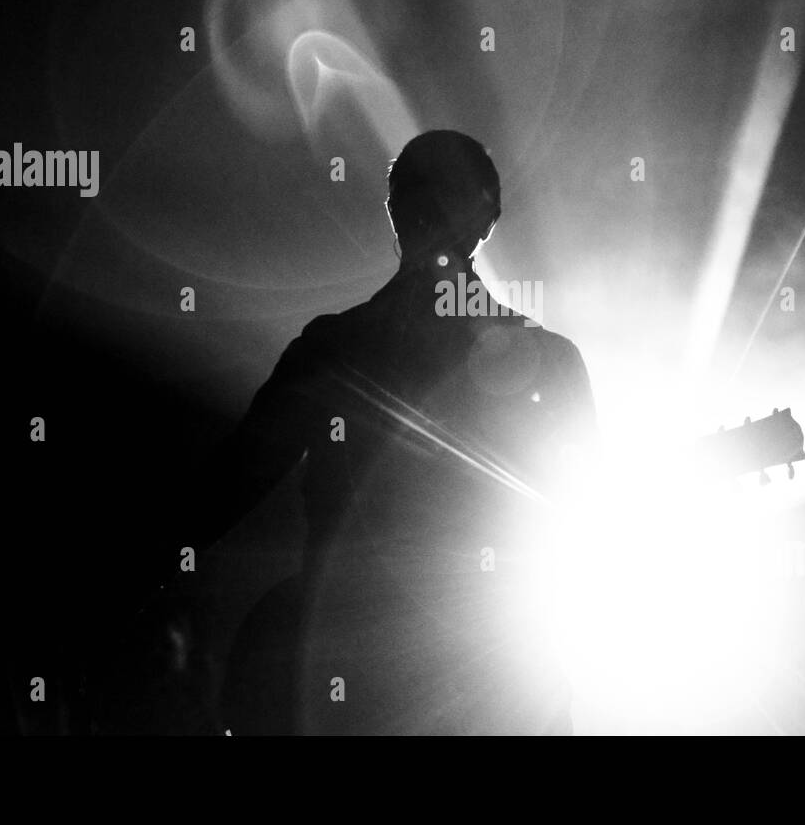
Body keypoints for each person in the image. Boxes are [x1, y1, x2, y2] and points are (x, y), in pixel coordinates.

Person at [212, 130, 598, 734]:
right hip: (495, 691)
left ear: (393, 211)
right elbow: (586, 523)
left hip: (351, 689)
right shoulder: (551, 362)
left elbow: (224, 492)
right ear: (489, 219)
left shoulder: (332, 350)